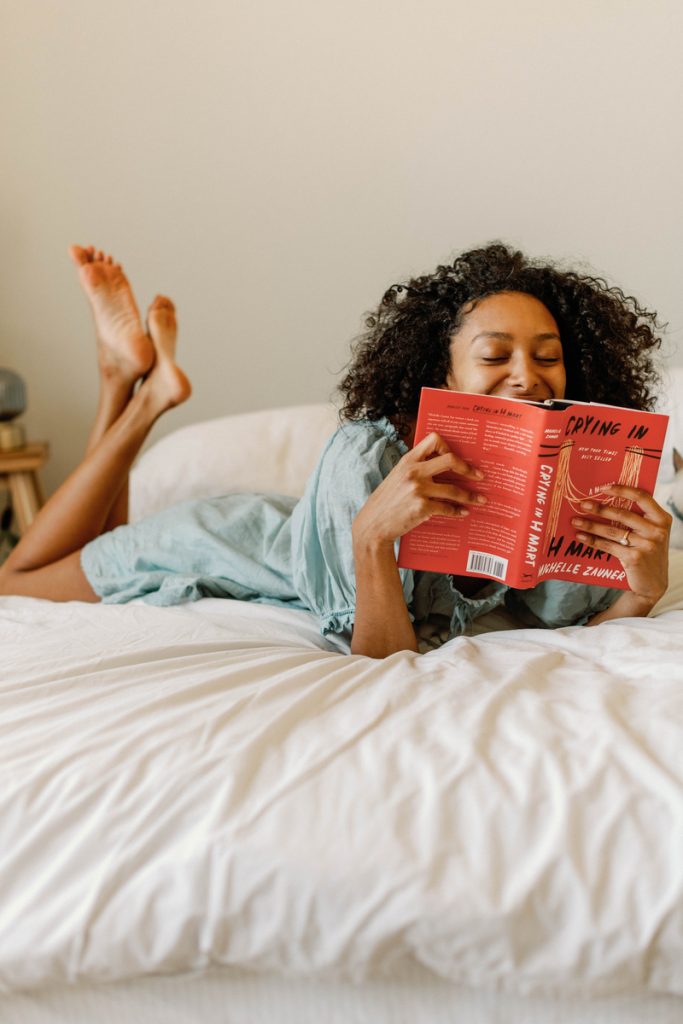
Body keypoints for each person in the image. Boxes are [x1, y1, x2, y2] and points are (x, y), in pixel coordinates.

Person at [0, 242, 672, 658]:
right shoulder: (367, 458)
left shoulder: (566, 471)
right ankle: (146, 398)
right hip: (221, 543)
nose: (527, 375)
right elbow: (377, 655)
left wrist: (640, 590)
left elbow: (563, 626)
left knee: (104, 538)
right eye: (494, 355)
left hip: (283, 529)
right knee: (16, 582)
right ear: (441, 376)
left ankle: (121, 374)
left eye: (547, 357)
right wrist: (372, 537)